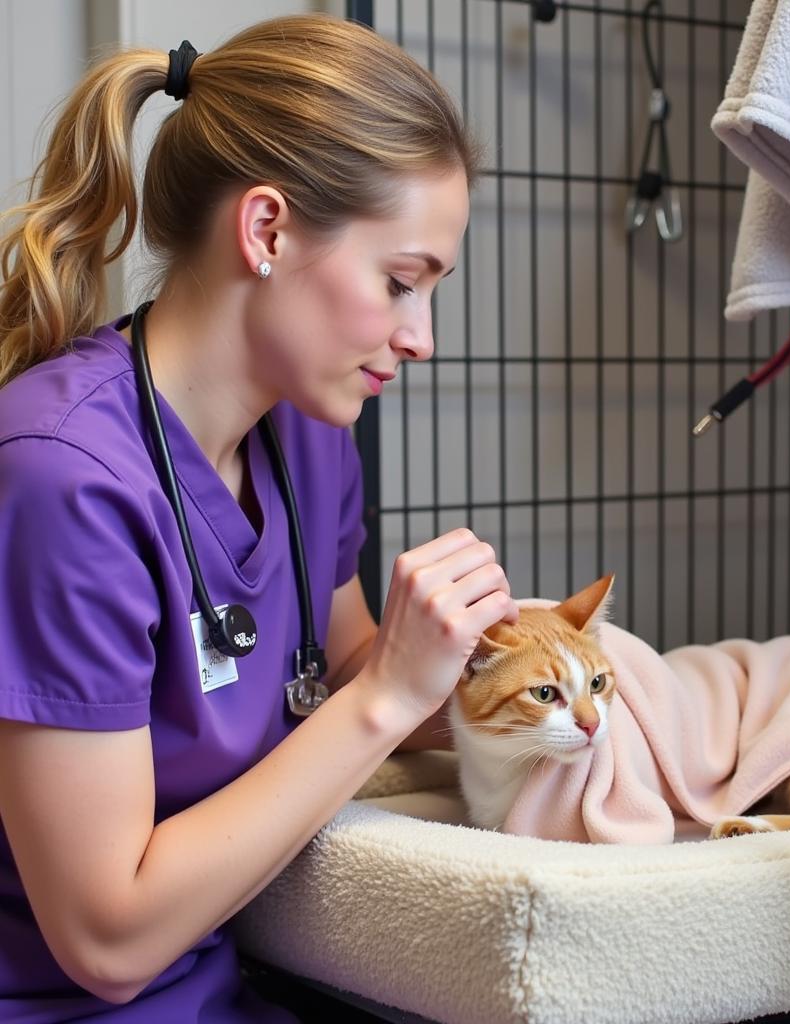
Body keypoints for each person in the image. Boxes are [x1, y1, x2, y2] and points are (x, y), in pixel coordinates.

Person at [0, 14, 518, 1022]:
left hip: (240, 984)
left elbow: (340, 665)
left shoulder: (311, 430)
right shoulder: (62, 479)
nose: (422, 339)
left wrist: (513, 679)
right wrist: (387, 697)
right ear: (268, 230)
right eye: (400, 283)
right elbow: (107, 940)